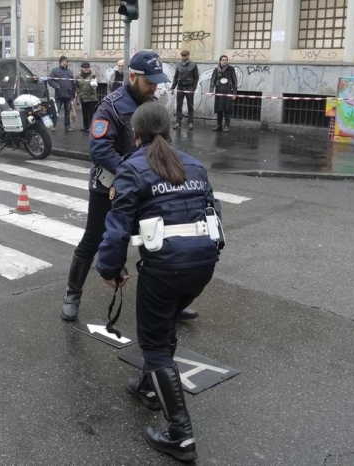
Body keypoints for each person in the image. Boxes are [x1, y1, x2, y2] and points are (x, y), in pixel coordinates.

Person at [96, 102, 222, 462]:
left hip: (165, 266)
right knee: (164, 324)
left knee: (153, 342)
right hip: (204, 263)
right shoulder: (194, 165)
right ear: (170, 131)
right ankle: (150, 387)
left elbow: (117, 228)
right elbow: (213, 212)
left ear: (135, 134)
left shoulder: (132, 169)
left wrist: (109, 269)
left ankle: (180, 434)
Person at [60, 51, 199, 323]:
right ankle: (72, 293)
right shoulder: (109, 106)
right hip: (109, 187)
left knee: (159, 240)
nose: (154, 87)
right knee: (93, 239)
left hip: (146, 188)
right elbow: (99, 149)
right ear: (132, 76)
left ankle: (171, 301)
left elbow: (164, 143)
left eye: (157, 82)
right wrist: (132, 172)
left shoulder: (153, 103)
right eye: (150, 82)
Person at [170, 50, 199, 130]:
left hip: (189, 88)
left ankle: (190, 122)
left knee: (190, 106)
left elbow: (196, 77)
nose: (183, 57)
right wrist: (173, 87)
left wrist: (194, 88)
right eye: (182, 55)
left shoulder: (193, 65)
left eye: (185, 55)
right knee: (179, 106)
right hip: (180, 87)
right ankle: (178, 123)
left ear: (188, 55)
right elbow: (175, 77)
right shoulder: (178, 65)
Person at [210, 55, 238, 132]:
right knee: (219, 109)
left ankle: (226, 125)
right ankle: (219, 125)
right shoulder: (216, 69)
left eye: (226, 59)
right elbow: (213, 80)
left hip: (227, 91)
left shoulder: (231, 69)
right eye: (223, 59)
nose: (224, 61)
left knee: (227, 109)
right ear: (220, 61)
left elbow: (234, 81)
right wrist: (211, 91)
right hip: (218, 91)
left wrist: (234, 93)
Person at [48, 55, 76, 131]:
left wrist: (73, 95)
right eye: (63, 61)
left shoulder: (70, 72)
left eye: (66, 61)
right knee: (56, 110)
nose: (64, 63)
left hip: (68, 95)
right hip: (59, 95)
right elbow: (50, 81)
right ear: (60, 62)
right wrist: (57, 86)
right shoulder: (55, 71)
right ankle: (53, 125)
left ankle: (67, 126)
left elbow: (73, 84)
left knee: (67, 111)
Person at [75, 62, 99, 132]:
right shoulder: (78, 76)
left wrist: (95, 76)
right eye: (84, 67)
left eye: (87, 67)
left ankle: (91, 127)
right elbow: (76, 86)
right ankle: (85, 126)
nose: (86, 69)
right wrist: (78, 93)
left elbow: (96, 84)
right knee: (84, 113)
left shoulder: (93, 75)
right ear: (82, 68)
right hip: (83, 97)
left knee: (91, 113)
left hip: (92, 97)